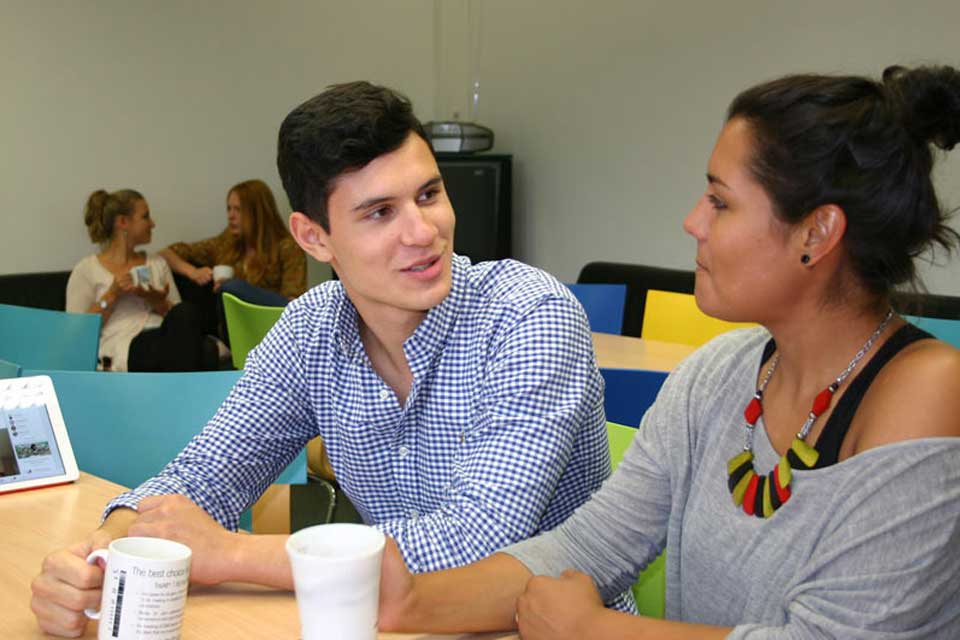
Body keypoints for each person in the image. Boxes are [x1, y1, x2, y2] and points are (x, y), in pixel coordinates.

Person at [377, 65, 960, 639]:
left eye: (721, 202)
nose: (692, 222)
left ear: (817, 232)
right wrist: (411, 605)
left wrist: (591, 630)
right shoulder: (720, 372)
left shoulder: (929, 390)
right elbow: (591, 546)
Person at [31, 82, 621, 638]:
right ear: (314, 238)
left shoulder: (530, 316)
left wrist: (235, 553)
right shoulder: (311, 331)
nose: (424, 231)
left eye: (428, 194)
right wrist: (101, 553)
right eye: (379, 213)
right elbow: (201, 478)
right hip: (387, 622)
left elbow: (480, 538)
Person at [66, 189, 219, 372]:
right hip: (123, 345)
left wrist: (156, 301)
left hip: (164, 335)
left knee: (186, 313)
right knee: (202, 350)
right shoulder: (86, 269)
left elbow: (181, 319)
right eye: (145, 217)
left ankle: (178, 392)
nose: (152, 224)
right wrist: (112, 295)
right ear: (123, 222)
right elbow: (76, 334)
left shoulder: (157, 263)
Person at [159, 179, 307, 306]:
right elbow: (165, 253)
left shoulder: (287, 246)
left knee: (231, 286)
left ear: (257, 213)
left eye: (238, 210)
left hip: (271, 321)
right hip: (233, 322)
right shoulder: (227, 242)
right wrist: (192, 272)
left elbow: (292, 303)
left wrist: (237, 290)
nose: (231, 216)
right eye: (229, 209)